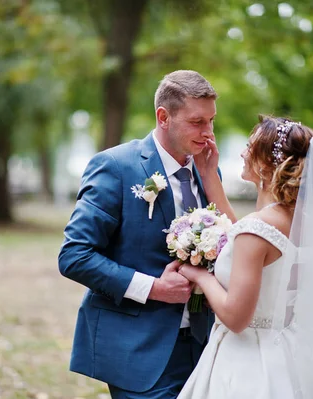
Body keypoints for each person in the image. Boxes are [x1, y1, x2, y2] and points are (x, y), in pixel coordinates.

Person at [177, 115, 313, 398]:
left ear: (267, 163)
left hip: (247, 362)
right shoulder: (306, 223)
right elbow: (246, 236)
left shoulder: (258, 229)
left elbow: (236, 317)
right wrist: (209, 177)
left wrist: (199, 275)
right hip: (287, 353)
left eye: (249, 146)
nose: (242, 152)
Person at [58, 70, 218, 398]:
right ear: (164, 117)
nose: (208, 133)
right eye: (197, 122)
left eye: (212, 121)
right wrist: (155, 288)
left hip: (205, 348)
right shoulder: (116, 167)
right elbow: (74, 255)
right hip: (139, 349)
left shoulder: (207, 169)